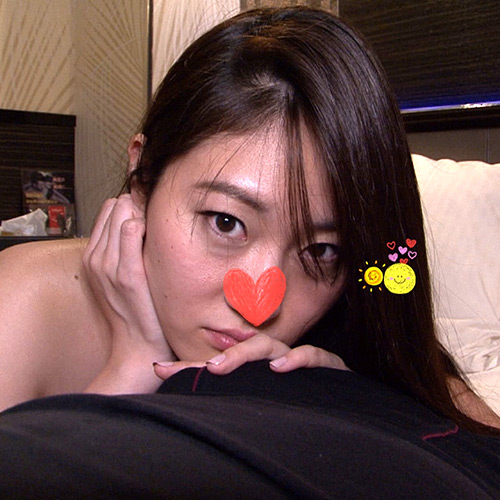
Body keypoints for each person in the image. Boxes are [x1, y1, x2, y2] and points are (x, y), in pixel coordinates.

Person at [0, 5, 498, 435]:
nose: (260, 304)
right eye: (225, 222)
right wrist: (133, 365)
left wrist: (346, 403)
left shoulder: (352, 325)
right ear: (143, 175)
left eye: (320, 250)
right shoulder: (26, 304)